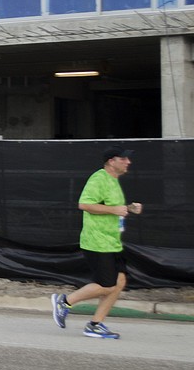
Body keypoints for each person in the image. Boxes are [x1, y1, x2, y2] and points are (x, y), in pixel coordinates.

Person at [51, 145, 143, 339]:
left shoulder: (114, 180)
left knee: (119, 282)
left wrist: (128, 208)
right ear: (112, 161)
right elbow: (84, 204)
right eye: (124, 159)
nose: (128, 162)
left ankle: (95, 324)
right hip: (97, 241)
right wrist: (114, 210)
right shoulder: (99, 178)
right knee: (107, 285)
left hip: (112, 242)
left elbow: (112, 207)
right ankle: (64, 301)